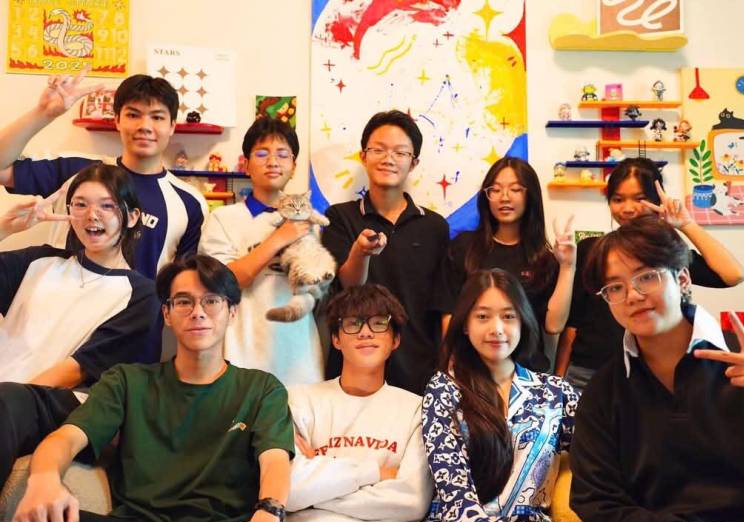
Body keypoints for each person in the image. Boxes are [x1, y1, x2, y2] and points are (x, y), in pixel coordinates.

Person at [9, 255, 295, 522]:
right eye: (184, 301)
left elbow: (274, 460)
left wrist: (267, 516)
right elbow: (67, 438)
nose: (198, 311)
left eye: (211, 301)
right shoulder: (127, 382)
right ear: (167, 314)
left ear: (232, 312)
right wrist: (44, 481)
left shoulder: (262, 389)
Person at [570, 215, 744, 522]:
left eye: (646, 277)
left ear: (682, 279)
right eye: (615, 287)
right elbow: (597, 502)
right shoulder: (604, 391)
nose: (632, 295)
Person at [0, 162, 159, 488]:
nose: (91, 215)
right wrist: (4, 229)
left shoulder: (141, 294)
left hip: (58, 402)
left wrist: (12, 395)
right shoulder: (38, 261)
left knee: (9, 401)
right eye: (81, 205)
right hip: (7, 395)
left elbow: (75, 371)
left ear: (132, 217)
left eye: (107, 206)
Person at [555, 157, 744, 391]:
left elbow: (733, 275)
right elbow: (573, 324)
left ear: (657, 200)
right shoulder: (591, 250)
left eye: (640, 198)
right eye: (618, 199)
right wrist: (558, 380)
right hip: (588, 375)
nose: (628, 208)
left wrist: (686, 224)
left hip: (652, 374)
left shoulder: (665, 252)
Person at [0, 67, 207, 280]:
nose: (145, 126)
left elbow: (183, 281)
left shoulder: (190, 202)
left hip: (141, 302)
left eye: (157, 117)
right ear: (117, 120)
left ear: (172, 126)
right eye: (133, 115)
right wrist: (43, 113)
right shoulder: (76, 170)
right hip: (61, 298)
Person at [415, 269, 578, 522]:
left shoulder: (555, 392)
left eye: (508, 316)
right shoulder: (444, 388)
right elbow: (452, 484)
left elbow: (600, 451)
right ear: (465, 325)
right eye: (483, 316)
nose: (497, 329)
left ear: (523, 321)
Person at [322, 110, 449, 395]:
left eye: (400, 152)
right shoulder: (339, 218)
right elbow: (347, 286)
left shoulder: (434, 227)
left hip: (419, 367)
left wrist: (448, 364)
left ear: (413, 163)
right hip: (353, 364)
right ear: (363, 156)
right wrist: (361, 252)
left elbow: (443, 304)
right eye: (378, 149)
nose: (388, 159)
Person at [285, 284, 432, 522]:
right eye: (353, 324)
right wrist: (376, 473)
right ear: (336, 339)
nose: (365, 332)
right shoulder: (298, 400)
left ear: (395, 340)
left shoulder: (417, 410)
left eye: (378, 323)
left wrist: (317, 481)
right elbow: (289, 490)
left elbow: (411, 503)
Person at [199, 116, 323, 384]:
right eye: (262, 153)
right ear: (246, 164)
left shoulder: (310, 222)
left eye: (283, 154)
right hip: (241, 352)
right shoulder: (223, 218)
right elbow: (224, 284)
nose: (273, 161)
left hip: (299, 353)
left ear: (294, 166)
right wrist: (278, 239)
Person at [438, 156, 576, 372]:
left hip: (526, 371)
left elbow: (553, 325)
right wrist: (452, 360)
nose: (504, 197)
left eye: (515, 189)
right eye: (495, 189)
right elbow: (449, 313)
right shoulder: (464, 247)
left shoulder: (543, 258)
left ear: (530, 195)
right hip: (472, 369)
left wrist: (567, 266)